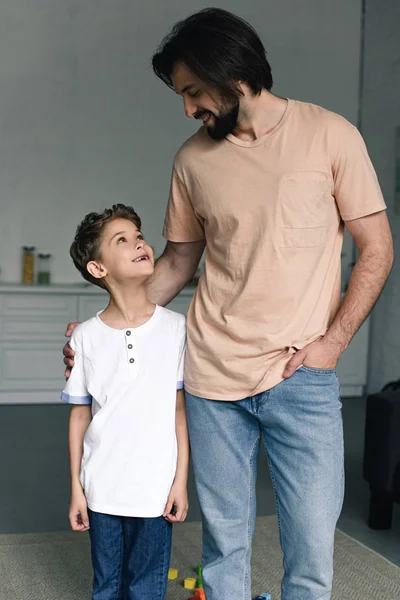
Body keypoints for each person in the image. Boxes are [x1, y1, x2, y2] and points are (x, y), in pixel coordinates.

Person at [64, 9, 394, 600]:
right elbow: (175, 264)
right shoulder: (192, 161)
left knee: (313, 552)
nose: (188, 109)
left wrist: (333, 343)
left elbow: (377, 249)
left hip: (302, 376)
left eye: (193, 91)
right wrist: (102, 330)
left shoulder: (331, 135)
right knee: (224, 550)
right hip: (212, 377)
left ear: (231, 72)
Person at [62, 204, 189, 600]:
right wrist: (76, 489)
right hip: (101, 486)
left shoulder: (175, 328)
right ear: (99, 269)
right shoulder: (85, 336)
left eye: (138, 236)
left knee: (146, 587)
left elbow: (179, 410)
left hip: (154, 488)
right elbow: (80, 415)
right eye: (123, 240)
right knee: (107, 585)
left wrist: (180, 481)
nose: (140, 243)